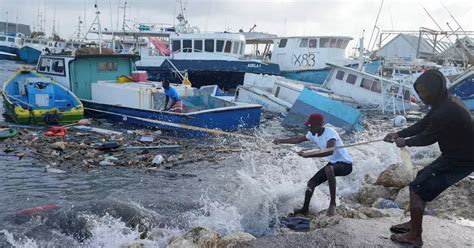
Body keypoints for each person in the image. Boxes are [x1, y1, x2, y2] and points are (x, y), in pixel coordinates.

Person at [384, 69, 474, 246]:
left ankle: (415, 236)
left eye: (424, 92)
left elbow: (427, 138)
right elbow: (423, 124)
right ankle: (413, 224)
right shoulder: (445, 102)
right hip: (457, 153)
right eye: (419, 92)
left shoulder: (446, 110)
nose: (421, 96)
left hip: (463, 158)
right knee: (421, 177)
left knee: (417, 187)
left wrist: (405, 142)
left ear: (436, 89)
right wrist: (398, 133)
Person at [273, 113, 353, 216]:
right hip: (333, 164)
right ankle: (305, 209)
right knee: (311, 183)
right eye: (309, 126)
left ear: (320, 125)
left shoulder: (330, 133)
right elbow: (298, 139)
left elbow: (329, 151)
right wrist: (280, 141)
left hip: (346, 165)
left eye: (311, 126)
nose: (309, 128)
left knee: (329, 169)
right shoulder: (313, 134)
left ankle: (332, 204)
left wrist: (309, 154)